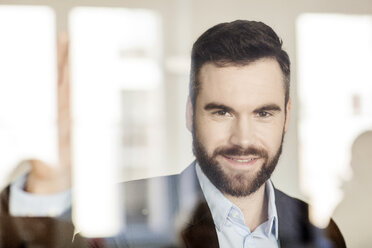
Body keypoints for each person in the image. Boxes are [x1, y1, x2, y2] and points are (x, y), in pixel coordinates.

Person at [1, 20, 345, 248]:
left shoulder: (318, 228)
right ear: (190, 114)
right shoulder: (118, 216)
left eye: (263, 113)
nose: (243, 137)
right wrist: (47, 185)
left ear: (286, 118)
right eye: (222, 111)